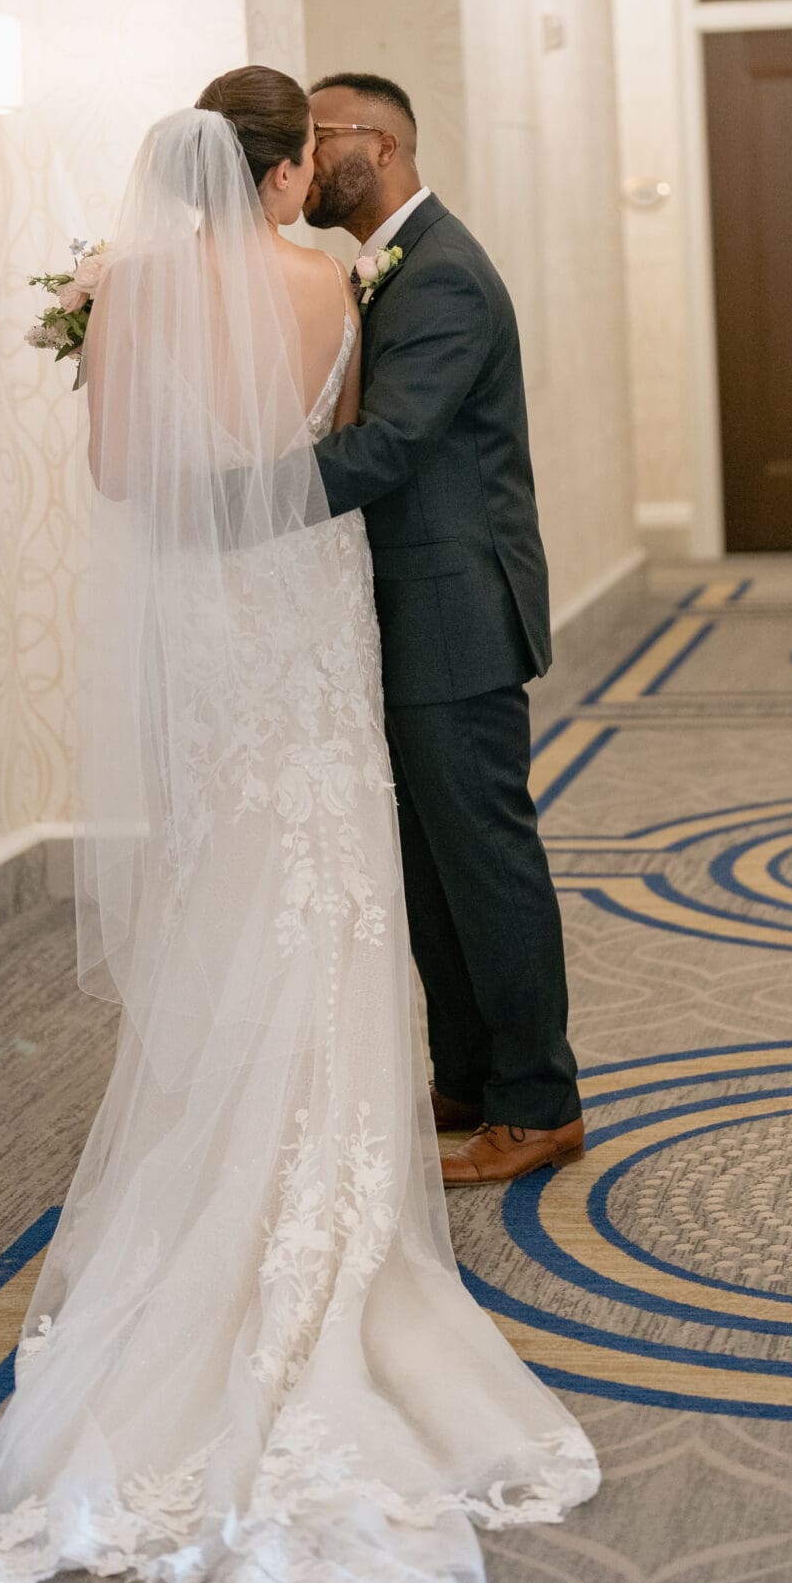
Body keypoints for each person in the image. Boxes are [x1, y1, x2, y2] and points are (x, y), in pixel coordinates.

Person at [0, 68, 596, 1583]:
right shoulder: (329, 285)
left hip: (235, 608)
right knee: (343, 865)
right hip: (309, 604)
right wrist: (248, 501)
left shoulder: (138, 289)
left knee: (260, 860)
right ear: (295, 166)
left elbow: (122, 480)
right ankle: (403, 1110)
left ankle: (482, 1093)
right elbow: (342, 438)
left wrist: (188, 478)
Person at [304, 73, 584, 1185]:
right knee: (431, 867)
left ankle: (539, 1101)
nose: (307, 159)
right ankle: (466, 1075)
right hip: (409, 611)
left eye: (319, 138)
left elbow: (391, 446)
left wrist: (232, 496)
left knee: (487, 863)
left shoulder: (446, 276)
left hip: (455, 612)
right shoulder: (392, 269)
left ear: (379, 144)